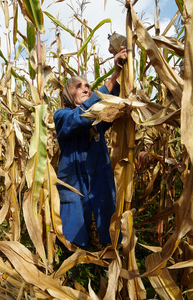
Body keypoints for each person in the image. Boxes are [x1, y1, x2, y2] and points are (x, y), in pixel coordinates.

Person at [54, 47, 127, 247]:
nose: (87, 89)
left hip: (99, 185)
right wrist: (112, 78)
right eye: (79, 86)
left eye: (88, 86)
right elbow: (82, 117)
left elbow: (113, 106)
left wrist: (124, 72)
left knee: (109, 240)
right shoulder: (62, 117)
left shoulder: (98, 122)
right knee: (74, 245)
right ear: (68, 94)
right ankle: (73, 274)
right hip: (74, 188)